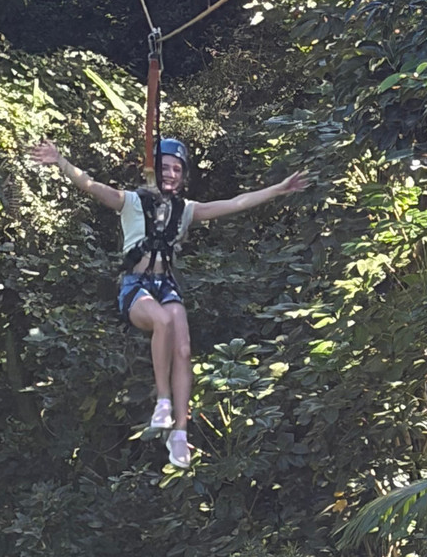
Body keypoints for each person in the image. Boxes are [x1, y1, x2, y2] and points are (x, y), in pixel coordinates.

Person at [29, 137, 308, 468]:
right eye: (165, 168)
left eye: (177, 169)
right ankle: (163, 401)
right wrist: (60, 160)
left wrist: (277, 189)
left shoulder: (186, 210)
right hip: (136, 287)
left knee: (183, 348)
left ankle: (180, 432)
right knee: (162, 321)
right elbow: (91, 185)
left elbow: (235, 203)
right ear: (152, 171)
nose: (172, 174)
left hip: (166, 285)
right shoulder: (131, 202)